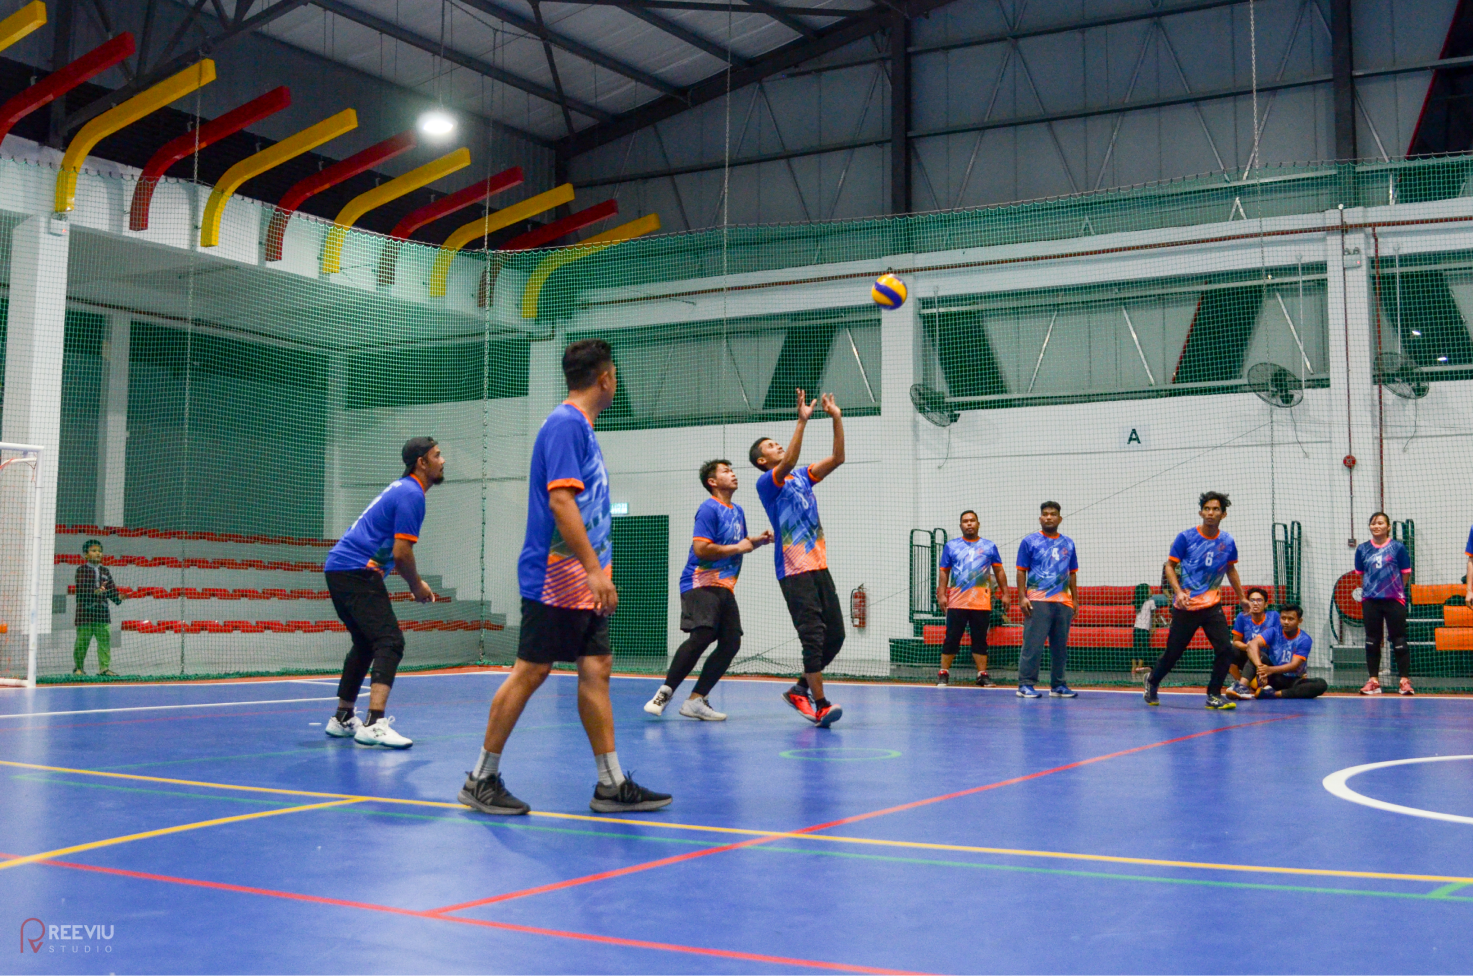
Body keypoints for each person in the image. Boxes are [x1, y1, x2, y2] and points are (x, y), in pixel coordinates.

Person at [460, 339, 670, 816]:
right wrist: (595, 571)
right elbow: (561, 502)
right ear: (605, 379)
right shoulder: (564, 425)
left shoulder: (584, 430)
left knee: (596, 669)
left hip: (581, 582)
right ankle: (481, 778)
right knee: (532, 671)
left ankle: (611, 784)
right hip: (554, 577)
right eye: (614, 372)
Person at [322, 437, 443, 748]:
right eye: (437, 455)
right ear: (422, 462)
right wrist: (417, 586)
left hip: (340, 568)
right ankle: (375, 723)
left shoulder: (401, 489)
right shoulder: (412, 494)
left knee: (365, 643)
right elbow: (402, 553)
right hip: (353, 570)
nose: (443, 461)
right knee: (390, 641)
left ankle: (344, 717)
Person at [644, 459, 772, 720]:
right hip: (700, 582)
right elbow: (702, 549)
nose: (733, 474)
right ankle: (665, 693)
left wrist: (755, 541)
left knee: (731, 642)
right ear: (712, 482)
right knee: (703, 634)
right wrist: (739, 547)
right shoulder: (708, 509)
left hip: (725, 586)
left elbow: (738, 544)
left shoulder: (737, 511)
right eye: (726, 471)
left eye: (732, 470)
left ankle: (696, 700)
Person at [751, 388, 846, 727]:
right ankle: (819, 704)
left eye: (778, 443)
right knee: (813, 634)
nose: (777, 447)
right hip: (793, 570)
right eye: (770, 447)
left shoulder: (803, 477)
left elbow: (837, 459)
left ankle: (799, 689)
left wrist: (836, 418)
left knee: (835, 635)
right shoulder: (768, 482)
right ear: (763, 461)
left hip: (818, 564)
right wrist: (801, 422)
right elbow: (788, 460)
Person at [1144, 491, 1247, 709]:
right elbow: (1169, 566)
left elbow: (1230, 569)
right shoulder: (1186, 537)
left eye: (1216, 509)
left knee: (1225, 650)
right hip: (1186, 605)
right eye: (1207, 509)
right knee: (1174, 652)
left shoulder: (1227, 541)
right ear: (1201, 512)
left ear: (1223, 514)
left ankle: (1213, 694)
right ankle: (1152, 680)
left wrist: (1242, 598)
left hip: (1212, 605)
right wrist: (1179, 592)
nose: (1211, 513)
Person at [935, 510, 1008, 688]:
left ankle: (982, 675)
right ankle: (943, 673)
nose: (969, 524)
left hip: (981, 603)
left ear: (978, 524)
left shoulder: (989, 546)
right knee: (952, 637)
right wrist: (942, 594)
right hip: (957, 602)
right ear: (961, 525)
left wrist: (1005, 593)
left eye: (972, 520)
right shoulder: (951, 546)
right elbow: (944, 571)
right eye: (965, 521)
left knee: (980, 639)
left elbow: (998, 570)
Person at [1015, 502, 1079, 699]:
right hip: (1038, 600)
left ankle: (1058, 685)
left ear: (1060, 518)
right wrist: (1022, 597)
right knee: (1033, 645)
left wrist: (1075, 600)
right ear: (1040, 519)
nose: (1049, 517)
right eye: (1045, 514)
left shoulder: (1068, 543)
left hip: (1063, 602)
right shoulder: (1029, 541)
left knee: (1060, 646)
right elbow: (1021, 571)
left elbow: (1073, 573)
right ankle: (1025, 684)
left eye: (1053, 514)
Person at [1356, 512, 1414, 696]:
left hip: (1394, 600)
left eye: (1380, 523)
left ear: (1388, 527)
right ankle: (1373, 681)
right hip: (1371, 600)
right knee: (1372, 640)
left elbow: (1405, 572)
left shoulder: (1398, 548)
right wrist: (1373, 590)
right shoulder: (1363, 549)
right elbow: (1360, 574)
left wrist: (1394, 589)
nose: (1376, 526)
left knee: (1399, 639)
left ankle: (1404, 681)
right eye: (1373, 523)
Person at [1246, 603, 1326, 698]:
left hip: (1293, 680)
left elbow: (1293, 666)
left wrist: (1269, 670)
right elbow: (1252, 644)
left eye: (1291, 619)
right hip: (1273, 677)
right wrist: (1261, 668)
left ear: (1299, 621)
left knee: (1321, 684)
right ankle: (1242, 686)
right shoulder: (1274, 631)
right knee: (1258, 654)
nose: (1286, 622)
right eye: (1283, 618)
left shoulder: (1304, 639)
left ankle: (1275, 694)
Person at [73, 539, 123, 677]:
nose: (98, 553)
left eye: (100, 551)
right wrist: (95, 591)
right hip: (85, 614)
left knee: (104, 643)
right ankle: (78, 668)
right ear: (86, 555)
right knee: (81, 644)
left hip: (102, 614)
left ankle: (104, 669)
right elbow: (82, 588)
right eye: (94, 551)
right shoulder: (81, 570)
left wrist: (119, 597)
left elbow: (112, 590)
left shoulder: (105, 571)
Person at [1226, 586, 1279, 699]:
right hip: (1249, 657)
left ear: (1266, 604)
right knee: (1228, 651)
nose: (1255, 603)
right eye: (1252, 600)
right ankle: (1243, 684)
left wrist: (1255, 649)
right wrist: (1249, 648)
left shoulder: (1274, 616)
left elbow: (1278, 642)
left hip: (1268, 660)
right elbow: (1236, 642)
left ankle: (1242, 686)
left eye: (1259, 600)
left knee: (1258, 653)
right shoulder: (1242, 617)